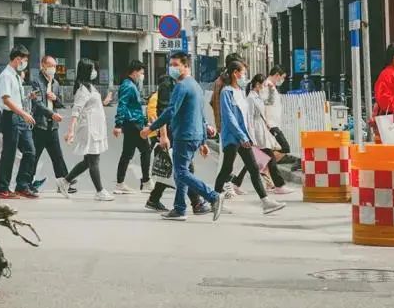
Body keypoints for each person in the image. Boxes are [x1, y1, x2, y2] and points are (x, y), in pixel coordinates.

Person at [141, 52, 223, 222]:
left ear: (186, 66)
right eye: (171, 65)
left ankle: (213, 196)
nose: (172, 68)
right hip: (193, 135)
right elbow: (200, 115)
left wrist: (151, 129)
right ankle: (179, 208)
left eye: (176, 65)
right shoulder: (195, 85)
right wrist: (202, 141)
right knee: (181, 173)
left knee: (181, 172)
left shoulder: (181, 86)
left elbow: (170, 111)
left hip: (184, 135)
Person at [213, 59, 285, 216]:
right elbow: (229, 118)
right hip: (233, 138)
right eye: (243, 73)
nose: (245, 76)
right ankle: (214, 200)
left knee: (253, 168)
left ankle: (265, 202)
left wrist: (248, 136)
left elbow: (245, 117)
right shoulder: (227, 92)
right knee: (227, 169)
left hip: (243, 137)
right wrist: (241, 136)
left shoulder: (240, 91)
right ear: (235, 73)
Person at [64, 60, 113, 200]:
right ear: (86, 71)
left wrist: (105, 102)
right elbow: (76, 110)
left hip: (96, 127)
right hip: (89, 128)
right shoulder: (82, 90)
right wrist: (71, 130)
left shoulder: (90, 87)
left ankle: (65, 181)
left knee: (88, 161)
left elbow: (92, 105)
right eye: (92, 69)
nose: (95, 72)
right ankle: (100, 191)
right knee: (94, 160)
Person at [0, 45, 38, 200]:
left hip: (19, 116)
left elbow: (16, 99)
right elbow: (6, 100)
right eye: (24, 60)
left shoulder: (16, 76)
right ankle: (3, 188)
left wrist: (27, 98)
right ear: (18, 59)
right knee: (9, 153)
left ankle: (22, 185)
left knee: (30, 151)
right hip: (10, 117)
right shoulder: (6, 76)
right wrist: (24, 114)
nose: (25, 63)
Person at [29, 55, 72, 195]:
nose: (53, 69)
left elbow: (60, 103)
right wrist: (51, 114)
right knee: (34, 156)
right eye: (50, 66)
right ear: (43, 66)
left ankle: (64, 183)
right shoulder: (36, 82)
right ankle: (28, 184)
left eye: (54, 66)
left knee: (57, 156)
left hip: (52, 126)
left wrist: (55, 98)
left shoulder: (55, 83)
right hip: (40, 125)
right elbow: (37, 103)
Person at [243, 74, 290, 196]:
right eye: (263, 85)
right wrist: (252, 137)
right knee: (269, 158)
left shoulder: (257, 96)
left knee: (253, 161)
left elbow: (269, 103)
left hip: (261, 130)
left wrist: (272, 89)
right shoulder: (251, 98)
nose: (264, 87)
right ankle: (279, 185)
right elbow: (249, 118)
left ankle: (236, 182)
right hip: (257, 131)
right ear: (257, 84)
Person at [113, 60, 152, 194]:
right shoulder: (128, 86)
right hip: (133, 123)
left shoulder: (131, 85)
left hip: (134, 122)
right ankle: (146, 182)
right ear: (135, 72)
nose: (142, 76)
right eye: (141, 73)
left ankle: (120, 183)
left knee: (127, 154)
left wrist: (145, 121)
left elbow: (135, 107)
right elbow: (122, 105)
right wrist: (118, 124)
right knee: (146, 150)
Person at [263, 66, 293, 159]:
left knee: (277, 148)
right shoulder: (268, 86)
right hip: (271, 124)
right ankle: (267, 161)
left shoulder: (271, 86)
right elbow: (265, 105)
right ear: (277, 75)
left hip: (272, 123)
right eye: (282, 77)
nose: (282, 80)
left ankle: (267, 162)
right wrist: (266, 123)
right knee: (284, 147)